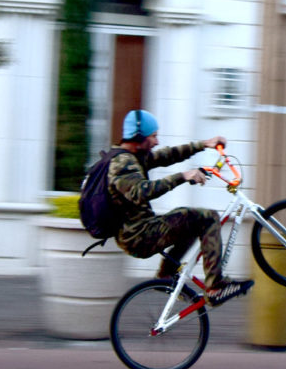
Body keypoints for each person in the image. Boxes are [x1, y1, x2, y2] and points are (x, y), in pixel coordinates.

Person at [107, 109, 253, 306]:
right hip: (139, 236)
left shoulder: (133, 156)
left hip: (142, 229)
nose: (157, 141)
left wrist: (203, 144)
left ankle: (165, 276)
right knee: (208, 217)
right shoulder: (121, 164)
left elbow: (167, 156)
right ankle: (215, 287)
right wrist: (183, 176)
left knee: (189, 219)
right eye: (153, 136)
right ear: (138, 137)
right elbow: (142, 191)